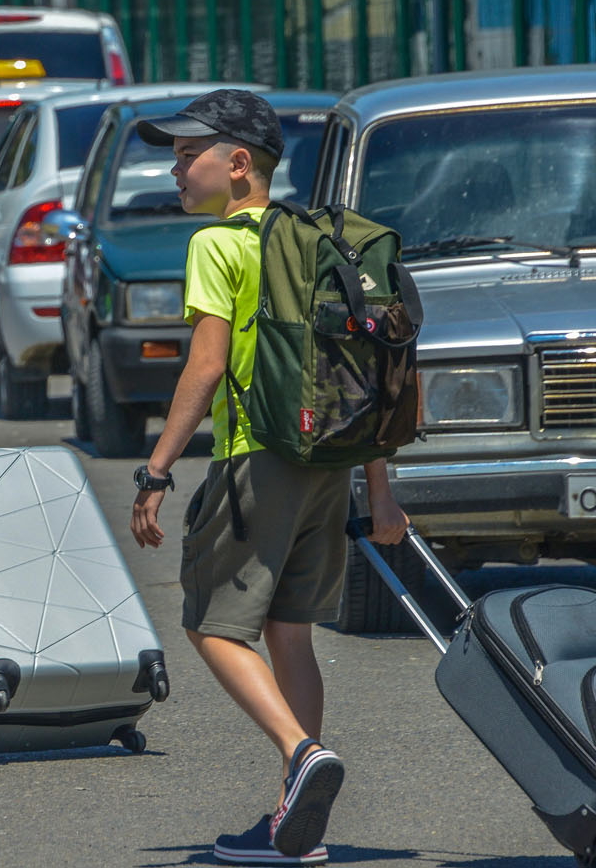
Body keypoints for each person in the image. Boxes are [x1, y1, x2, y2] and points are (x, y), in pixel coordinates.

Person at [125, 90, 410, 867]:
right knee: (290, 632)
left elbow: (208, 365)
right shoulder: (319, 242)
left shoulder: (218, 246)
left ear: (239, 163)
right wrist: (379, 485)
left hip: (256, 458)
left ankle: (300, 752)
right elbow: (363, 371)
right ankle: (295, 818)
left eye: (190, 155)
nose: (176, 168)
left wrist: (155, 470)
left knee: (209, 623)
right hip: (330, 464)